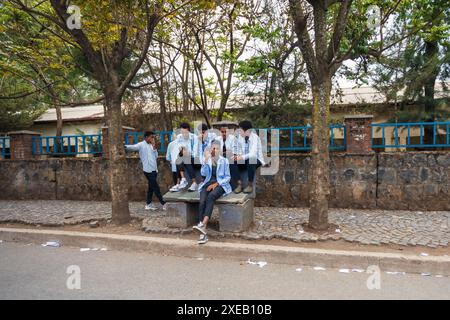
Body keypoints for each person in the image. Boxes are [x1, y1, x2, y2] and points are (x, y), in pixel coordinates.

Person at [193, 140, 232, 245]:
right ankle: (203, 232)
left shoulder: (224, 161)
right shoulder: (208, 159)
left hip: (221, 184)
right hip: (207, 183)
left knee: (211, 196)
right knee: (202, 201)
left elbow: (228, 177)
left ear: (220, 150)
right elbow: (203, 174)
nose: (215, 150)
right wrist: (205, 160)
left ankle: (203, 224)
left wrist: (216, 184)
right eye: (213, 148)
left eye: (217, 148)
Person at [125, 131, 166, 211]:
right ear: (146, 137)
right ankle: (163, 203)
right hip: (148, 170)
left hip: (154, 170)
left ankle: (148, 204)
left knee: (151, 188)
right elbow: (133, 147)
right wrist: (123, 146)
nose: (152, 139)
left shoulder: (152, 145)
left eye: (153, 137)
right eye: (151, 137)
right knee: (156, 187)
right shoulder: (141, 145)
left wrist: (154, 147)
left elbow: (156, 156)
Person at [231, 120, 265, 194]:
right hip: (245, 159)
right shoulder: (240, 137)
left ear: (246, 131)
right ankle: (239, 184)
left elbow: (253, 154)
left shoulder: (255, 138)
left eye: (240, 130)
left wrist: (241, 157)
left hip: (256, 159)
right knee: (232, 161)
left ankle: (250, 185)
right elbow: (237, 149)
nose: (239, 132)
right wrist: (236, 155)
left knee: (251, 160)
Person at [175, 122, 198, 191]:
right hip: (184, 157)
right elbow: (178, 147)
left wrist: (187, 152)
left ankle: (193, 183)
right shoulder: (179, 137)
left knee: (185, 158)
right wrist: (182, 150)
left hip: (196, 159)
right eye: (182, 132)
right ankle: (183, 179)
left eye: (185, 132)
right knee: (178, 159)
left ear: (188, 131)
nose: (183, 134)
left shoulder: (194, 137)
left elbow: (195, 152)